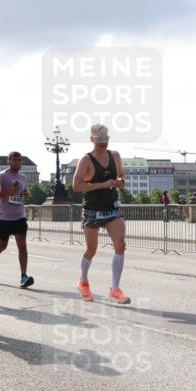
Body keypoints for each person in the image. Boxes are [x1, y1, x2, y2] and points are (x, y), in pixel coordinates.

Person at [72, 123, 129, 304]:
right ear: (92, 139)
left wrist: (119, 182)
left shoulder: (115, 156)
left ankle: (115, 288)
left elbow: (122, 176)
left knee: (120, 245)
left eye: (106, 138)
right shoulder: (86, 160)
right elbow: (76, 186)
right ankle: (83, 281)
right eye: (100, 138)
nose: (104, 142)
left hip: (111, 207)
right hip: (92, 210)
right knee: (91, 249)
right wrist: (102, 185)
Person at [0, 151, 33, 288]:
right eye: (14, 160)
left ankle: (23, 276)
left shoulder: (23, 177)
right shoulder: (2, 176)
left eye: (19, 160)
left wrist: (26, 194)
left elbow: (25, 195)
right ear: (9, 161)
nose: (17, 162)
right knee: (2, 245)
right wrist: (9, 193)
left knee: (22, 246)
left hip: (19, 216)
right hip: (5, 217)